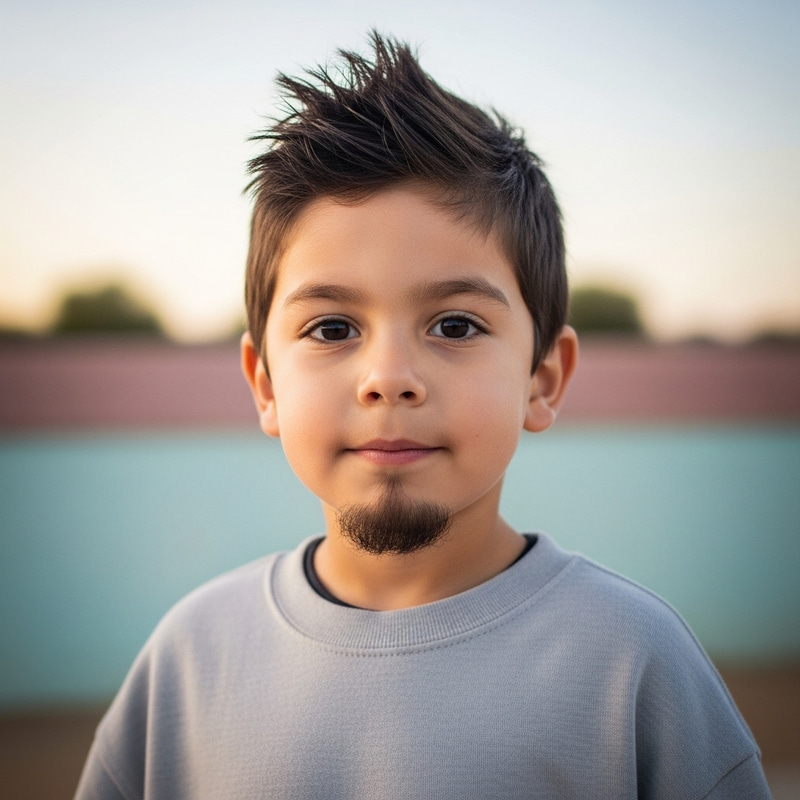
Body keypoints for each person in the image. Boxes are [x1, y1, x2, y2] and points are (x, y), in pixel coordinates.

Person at [75, 34, 771, 799]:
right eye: (333, 329)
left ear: (543, 379)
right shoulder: (189, 660)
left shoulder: (636, 664)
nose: (388, 380)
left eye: (455, 326)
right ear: (264, 383)